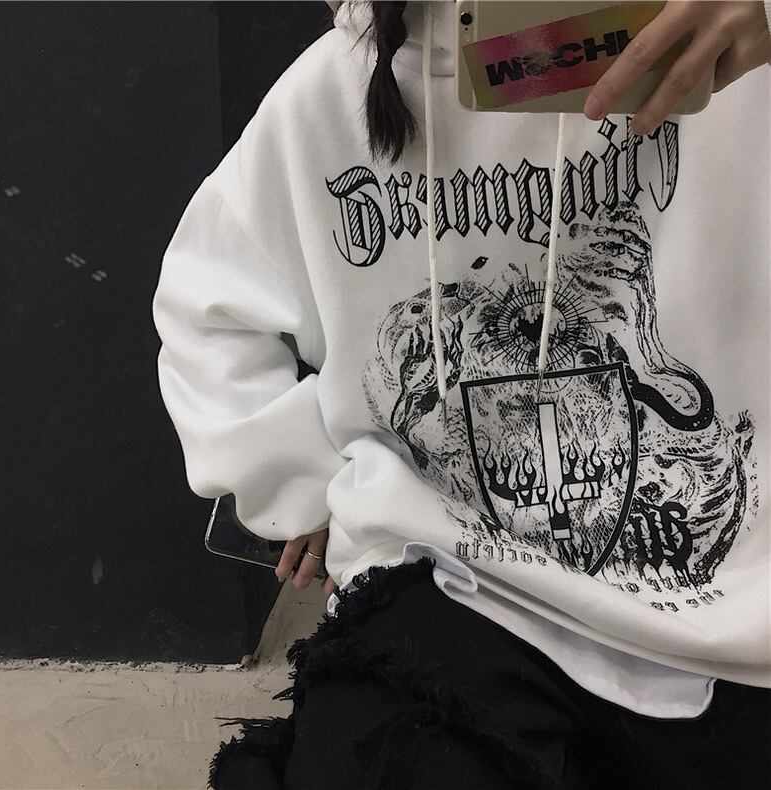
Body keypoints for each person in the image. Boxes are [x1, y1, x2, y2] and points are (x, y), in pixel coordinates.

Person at [151, 1, 771, 787]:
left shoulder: (737, 55)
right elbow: (209, 304)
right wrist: (295, 483)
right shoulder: (338, 89)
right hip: (449, 581)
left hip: (729, 605)